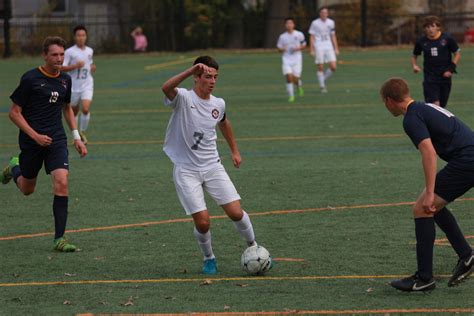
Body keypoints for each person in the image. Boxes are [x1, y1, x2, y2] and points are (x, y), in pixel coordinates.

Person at [161, 56, 259, 275]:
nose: (212, 81)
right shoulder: (184, 98)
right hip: (186, 170)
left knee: (236, 212)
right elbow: (166, 87)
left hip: (213, 166)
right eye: (207, 76)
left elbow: (224, 123)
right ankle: (209, 258)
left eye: (215, 77)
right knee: (203, 223)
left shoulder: (218, 103)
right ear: (197, 77)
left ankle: (254, 247)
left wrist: (234, 150)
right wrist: (189, 70)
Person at [380, 77, 473, 292]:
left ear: (389, 100)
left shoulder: (411, 118)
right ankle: (467, 256)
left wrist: (430, 192)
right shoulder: (424, 106)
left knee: (422, 208)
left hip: (467, 161)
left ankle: (424, 279)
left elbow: (429, 154)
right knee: (433, 208)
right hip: (469, 158)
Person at [1, 36, 88, 252]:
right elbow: (14, 113)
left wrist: (76, 136)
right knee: (27, 189)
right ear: (45, 55)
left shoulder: (65, 80)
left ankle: (60, 239)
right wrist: (35, 136)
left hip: (57, 140)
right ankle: (14, 167)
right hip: (32, 142)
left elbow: (66, 108)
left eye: (61, 55)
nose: (59, 58)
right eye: (54, 55)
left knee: (62, 182)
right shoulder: (30, 79)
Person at [412, 16, 461, 108]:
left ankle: (434, 121)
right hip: (430, 77)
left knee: (441, 107)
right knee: (435, 105)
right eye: (427, 27)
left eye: (433, 26)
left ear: (438, 27)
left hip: (445, 77)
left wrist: (451, 69)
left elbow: (457, 54)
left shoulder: (447, 39)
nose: (430, 29)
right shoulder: (421, 41)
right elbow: (414, 55)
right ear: (424, 29)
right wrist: (414, 65)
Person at [62, 25, 96, 144]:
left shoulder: (89, 51)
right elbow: (62, 68)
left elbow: (89, 63)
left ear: (86, 37)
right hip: (73, 87)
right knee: (74, 111)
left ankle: (81, 132)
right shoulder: (69, 52)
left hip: (87, 85)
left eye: (83, 35)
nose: (81, 38)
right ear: (74, 37)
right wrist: (75, 66)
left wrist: (92, 67)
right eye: (78, 35)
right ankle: (76, 133)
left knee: (85, 109)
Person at [308, 7, 339, 93]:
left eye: (325, 12)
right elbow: (312, 36)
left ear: (327, 14)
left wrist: (336, 48)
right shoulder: (315, 23)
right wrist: (312, 49)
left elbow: (333, 35)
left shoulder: (331, 22)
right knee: (320, 66)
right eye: (322, 12)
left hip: (329, 46)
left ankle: (322, 79)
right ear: (319, 13)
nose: (324, 14)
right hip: (319, 46)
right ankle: (322, 86)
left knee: (333, 67)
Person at [276, 17, 306, 103]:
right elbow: (278, 48)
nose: (289, 25)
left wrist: (298, 48)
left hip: (297, 59)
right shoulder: (282, 37)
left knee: (295, 78)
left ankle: (299, 85)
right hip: (286, 59)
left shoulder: (299, 34)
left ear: (294, 25)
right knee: (288, 77)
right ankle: (291, 96)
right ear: (285, 25)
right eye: (287, 23)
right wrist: (282, 49)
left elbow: (304, 44)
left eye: (290, 23)